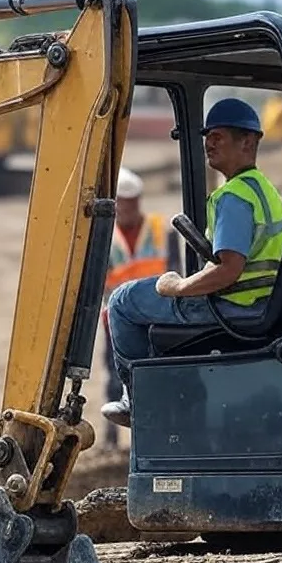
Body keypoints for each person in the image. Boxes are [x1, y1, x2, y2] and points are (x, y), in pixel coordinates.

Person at [101, 98, 282, 427]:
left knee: (122, 303)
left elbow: (229, 268)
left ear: (247, 141)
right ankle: (173, 391)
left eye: (219, 136)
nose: (208, 143)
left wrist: (180, 287)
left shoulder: (233, 196)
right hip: (257, 303)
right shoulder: (265, 191)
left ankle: (138, 398)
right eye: (207, 136)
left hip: (231, 305)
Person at [100, 166, 181, 447]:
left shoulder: (160, 230)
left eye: (131, 202)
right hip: (116, 318)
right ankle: (111, 440)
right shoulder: (105, 237)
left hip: (155, 317)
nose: (127, 208)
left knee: (155, 376)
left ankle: (153, 438)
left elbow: (175, 270)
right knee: (115, 374)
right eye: (122, 202)